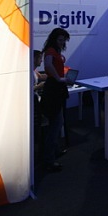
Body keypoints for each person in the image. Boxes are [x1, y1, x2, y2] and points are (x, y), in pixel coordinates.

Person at [40, 27, 71, 172]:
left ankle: (54, 151)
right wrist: (58, 78)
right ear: (54, 39)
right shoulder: (51, 51)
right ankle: (49, 159)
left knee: (58, 123)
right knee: (55, 124)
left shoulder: (55, 51)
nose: (62, 42)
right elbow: (47, 65)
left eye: (63, 40)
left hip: (57, 89)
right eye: (60, 39)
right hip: (53, 91)